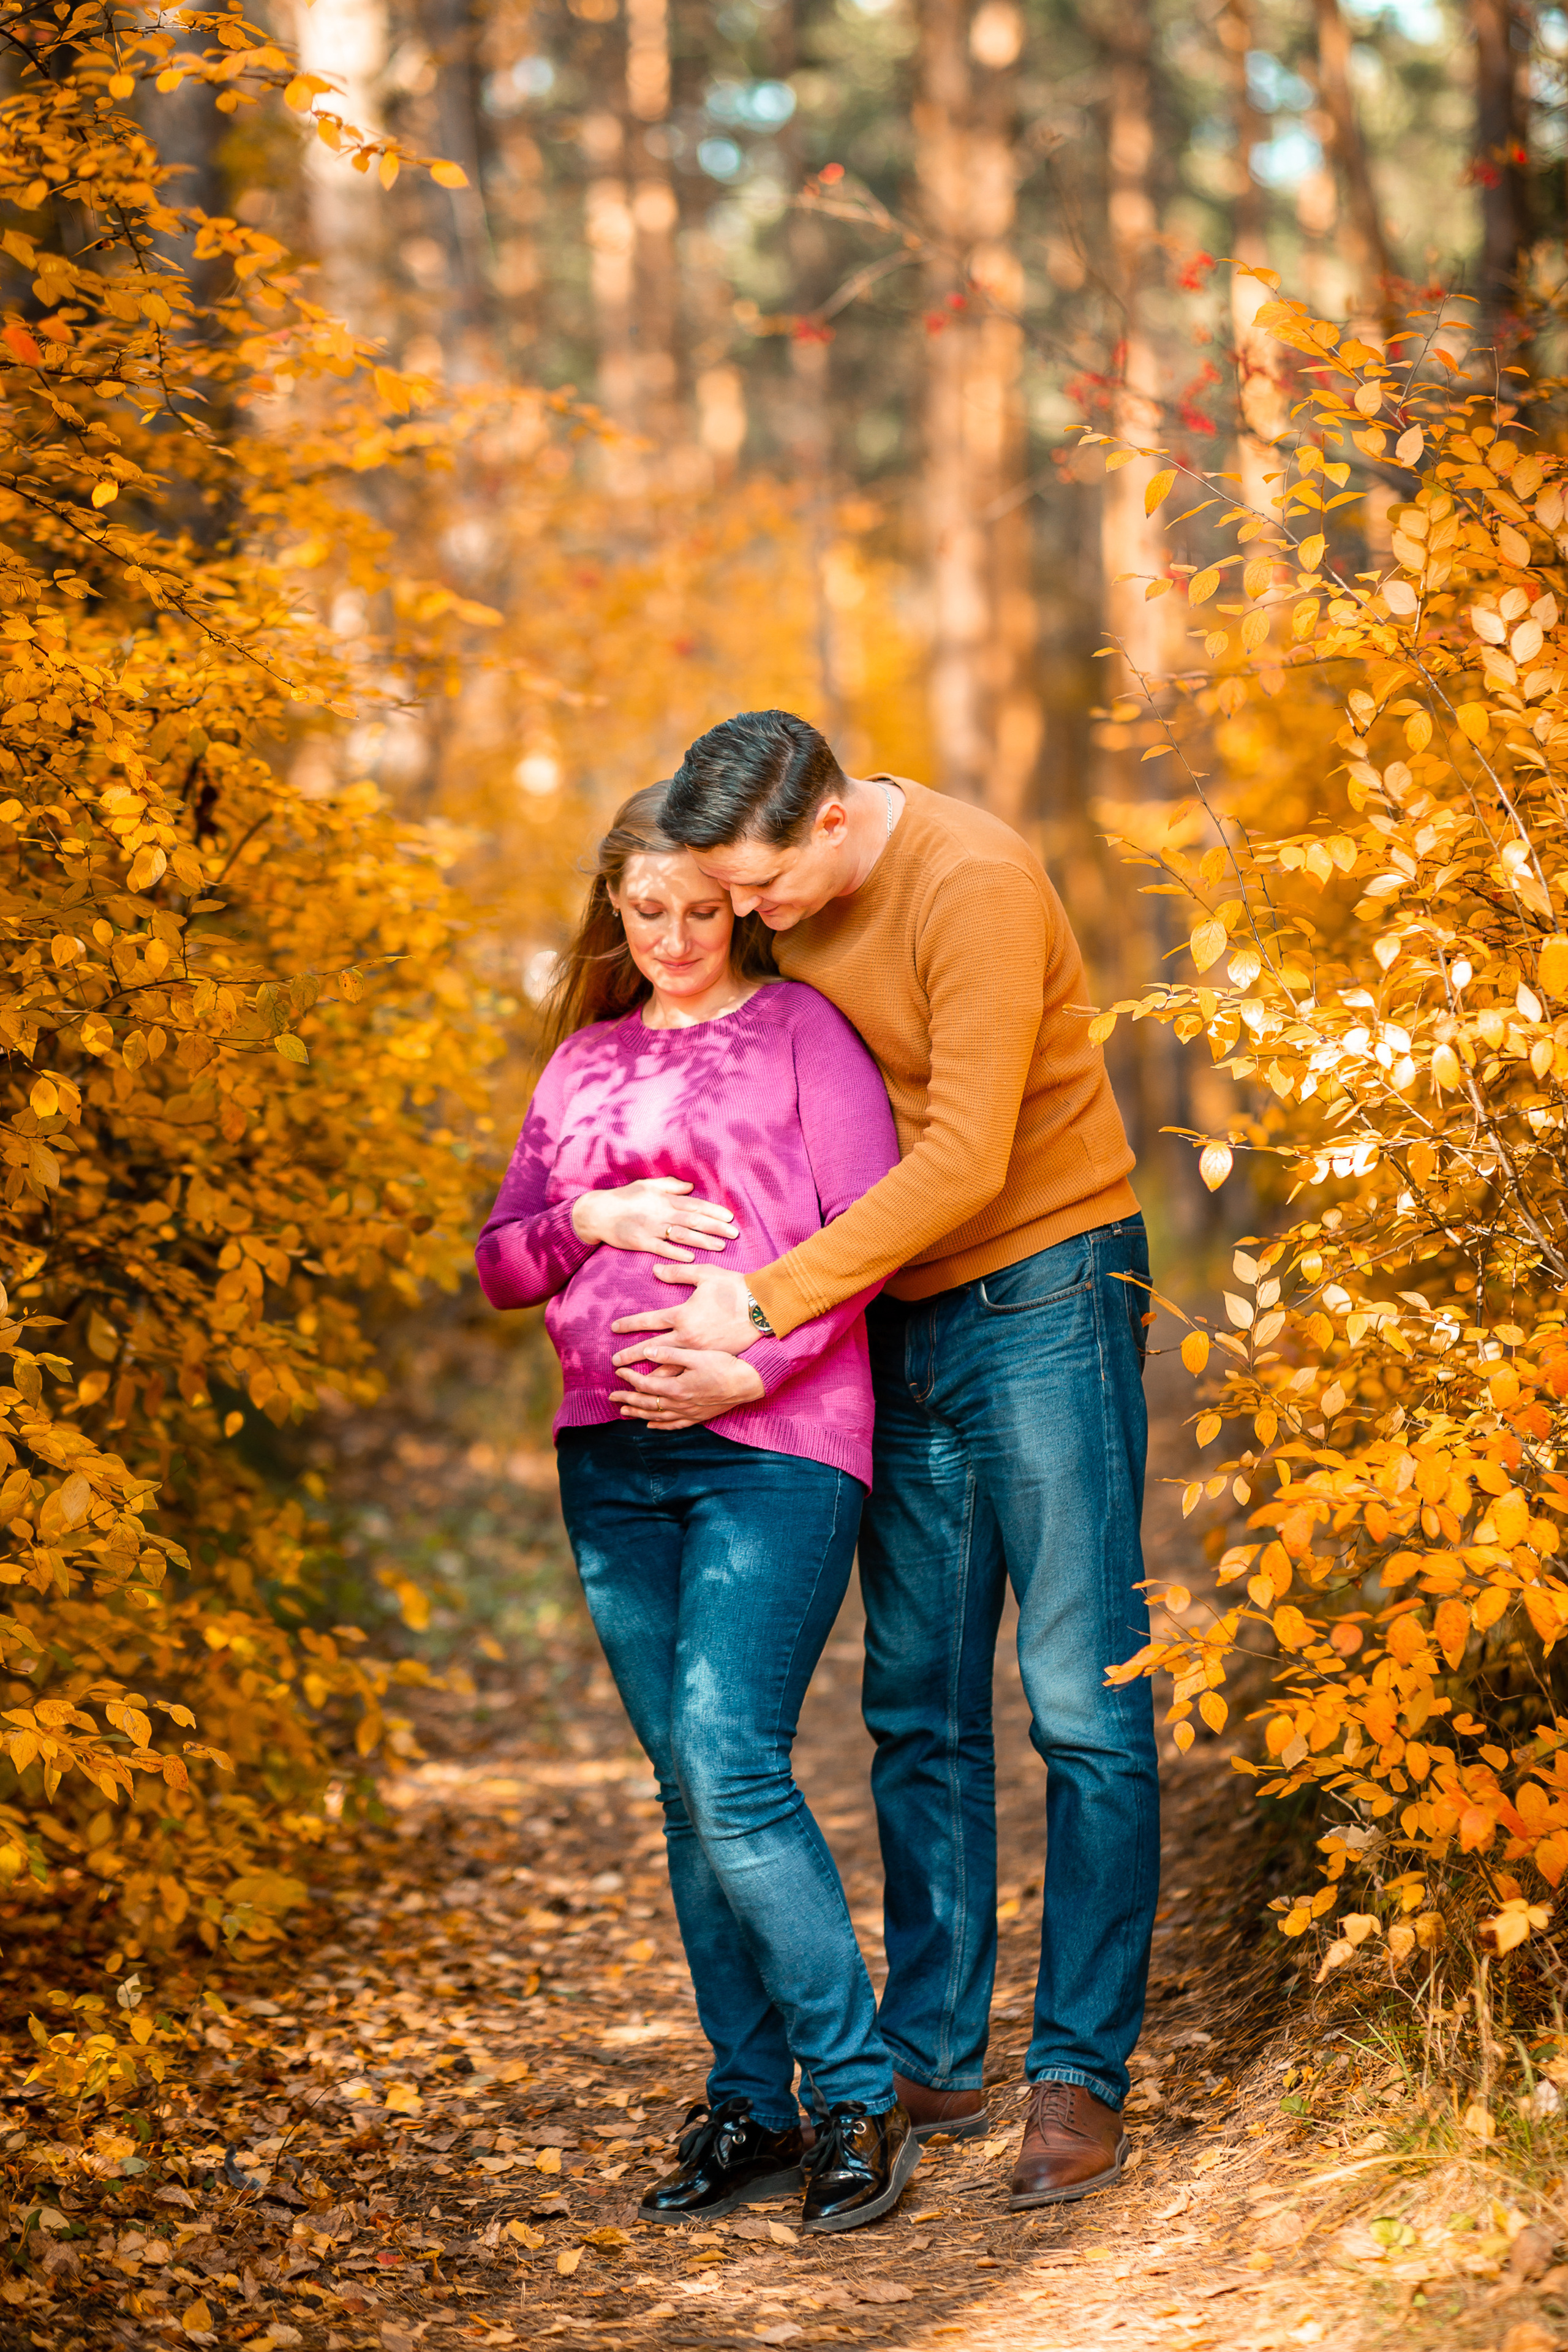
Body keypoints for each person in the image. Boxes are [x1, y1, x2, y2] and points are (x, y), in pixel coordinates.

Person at [605, 713, 1156, 2214]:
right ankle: (930, 2051)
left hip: (1043, 1285)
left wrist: (765, 1301)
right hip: (896, 1317)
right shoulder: (794, 896)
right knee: (915, 1700)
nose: (756, 920)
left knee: (1080, 1696)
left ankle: (1078, 2075)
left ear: (834, 824)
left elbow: (967, 1157)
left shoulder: (968, 879)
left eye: (765, 888)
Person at [474, 783, 921, 2236]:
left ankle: (855, 2096)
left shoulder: (803, 1034)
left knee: (729, 1761)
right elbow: (498, 1263)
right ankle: (751, 2104)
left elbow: (857, 1246)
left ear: (739, 903)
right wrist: (585, 1220)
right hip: (608, 1460)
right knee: (683, 1786)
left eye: (698, 907)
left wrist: (746, 1362)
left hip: (775, 1443)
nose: (672, 934)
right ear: (615, 909)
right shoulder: (579, 1068)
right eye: (644, 909)